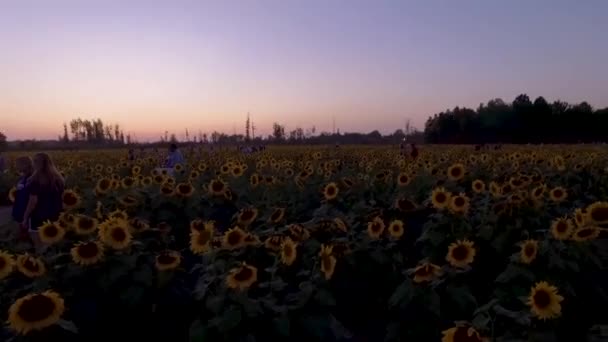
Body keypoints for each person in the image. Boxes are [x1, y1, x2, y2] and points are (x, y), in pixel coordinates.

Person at [21, 153, 65, 251]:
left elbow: (33, 202)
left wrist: (25, 217)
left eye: (34, 162)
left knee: (40, 247)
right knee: (52, 246)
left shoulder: (34, 180)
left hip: (39, 216)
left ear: (36, 164)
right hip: (55, 215)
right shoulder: (59, 179)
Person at [12, 157, 33, 239]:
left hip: (27, 215)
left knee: (27, 238)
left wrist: (26, 217)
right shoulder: (22, 178)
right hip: (18, 213)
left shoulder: (31, 179)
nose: (15, 166)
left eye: (17, 164)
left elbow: (31, 200)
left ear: (25, 165)